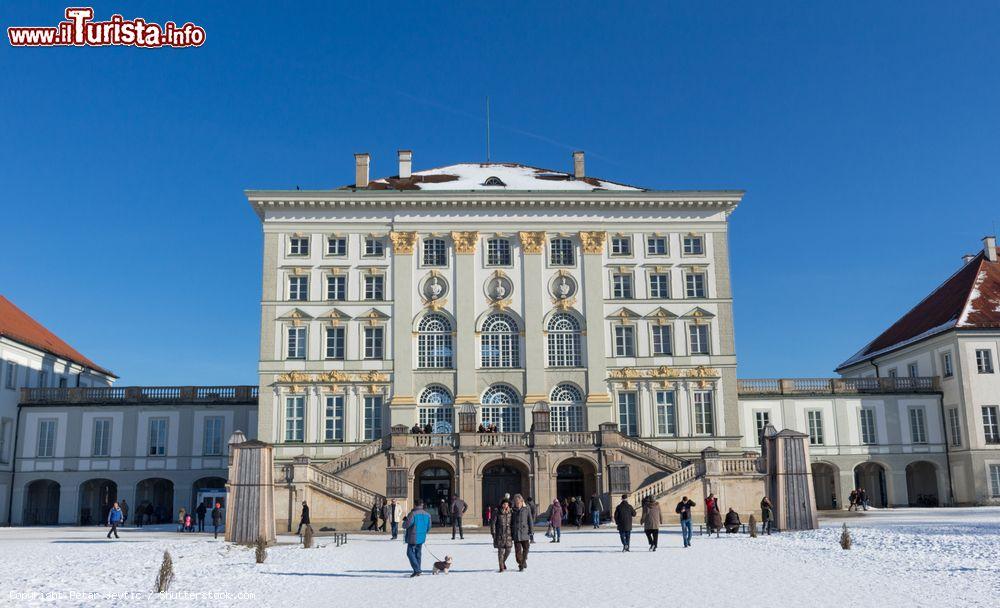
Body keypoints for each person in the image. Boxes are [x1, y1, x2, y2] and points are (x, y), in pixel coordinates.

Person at [403, 499, 432, 578]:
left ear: (415, 505)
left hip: (413, 536)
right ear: (422, 504)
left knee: (410, 553)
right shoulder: (427, 514)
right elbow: (429, 527)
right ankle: (418, 570)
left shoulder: (413, 514)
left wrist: (405, 520)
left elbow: (406, 525)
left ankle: (417, 570)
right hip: (422, 536)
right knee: (418, 553)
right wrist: (424, 532)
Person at [511, 494, 533, 571]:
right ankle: (521, 562)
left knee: (526, 549)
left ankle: (522, 564)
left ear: (521, 501)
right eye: (516, 502)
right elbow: (510, 522)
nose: (517, 503)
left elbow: (530, 520)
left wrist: (531, 531)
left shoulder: (527, 508)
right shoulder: (512, 510)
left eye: (518, 502)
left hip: (525, 532)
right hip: (516, 533)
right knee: (517, 553)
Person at [491, 498, 513, 572]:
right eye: (504, 504)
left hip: (508, 534)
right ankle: (501, 567)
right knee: (500, 552)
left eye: (506, 504)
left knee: (509, 550)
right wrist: (493, 533)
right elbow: (493, 523)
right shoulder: (497, 512)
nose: (505, 505)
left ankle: (503, 562)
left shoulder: (511, 512)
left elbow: (513, 523)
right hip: (499, 534)